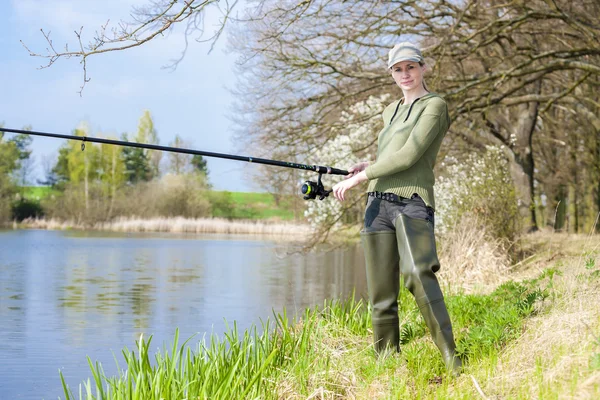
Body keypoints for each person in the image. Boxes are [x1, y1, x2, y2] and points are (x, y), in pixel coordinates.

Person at [331, 42, 462, 372]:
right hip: (378, 206)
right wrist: (367, 166)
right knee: (381, 293)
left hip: (412, 203)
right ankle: (386, 364)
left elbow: (410, 155)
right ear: (391, 73)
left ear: (423, 68)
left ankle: (452, 361)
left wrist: (359, 180)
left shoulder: (434, 105)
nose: (405, 74)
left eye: (411, 67)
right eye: (397, 69)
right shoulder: (390, 111)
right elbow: (392, 155)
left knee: (419, 275)